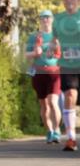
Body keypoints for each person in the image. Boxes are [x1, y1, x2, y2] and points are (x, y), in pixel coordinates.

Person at [25, 10, 61, 144]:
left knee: (53, 102)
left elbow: (64, 53)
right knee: (44, 104)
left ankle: (56, 130)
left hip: (54, 72)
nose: (45, 20)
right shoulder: (34, 37)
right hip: (38, 73)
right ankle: (49, 131)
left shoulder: (57, 36)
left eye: (48, 17)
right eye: (43, 17)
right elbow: (26, 54)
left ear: (52, 19)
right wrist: (34, 53)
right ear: (39, 20)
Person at [52, 0, 80, 152]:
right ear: (63, 1)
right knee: (70, 95)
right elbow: (54, 39)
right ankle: (71, 138)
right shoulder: (58, 19)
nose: (70, 1)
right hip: (68, 64)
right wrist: (52, 46)